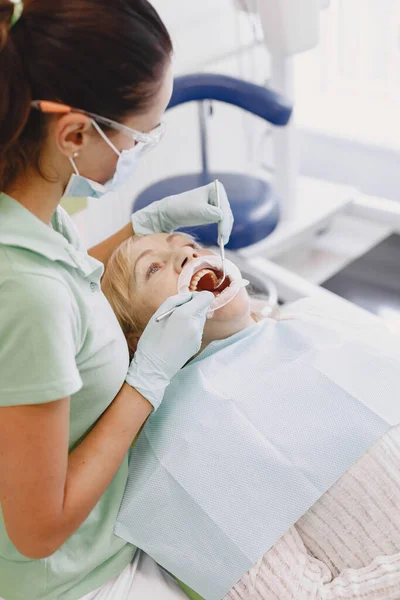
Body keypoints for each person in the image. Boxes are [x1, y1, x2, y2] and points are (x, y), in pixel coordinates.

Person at [0, 1, 233, 599]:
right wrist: (147, 380)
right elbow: (37, 529)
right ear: (75, 132)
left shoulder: (26, 207)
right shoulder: (26, 293)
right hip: (78, 580)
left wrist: (146, 224)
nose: (142, 149)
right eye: (139, 136)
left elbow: (71, 277)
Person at [102, 231, 400, 600]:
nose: (184, 253)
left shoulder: (314, 323)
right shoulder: (178, 460)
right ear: (136, 337)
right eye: (153, 267)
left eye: (189, 245)